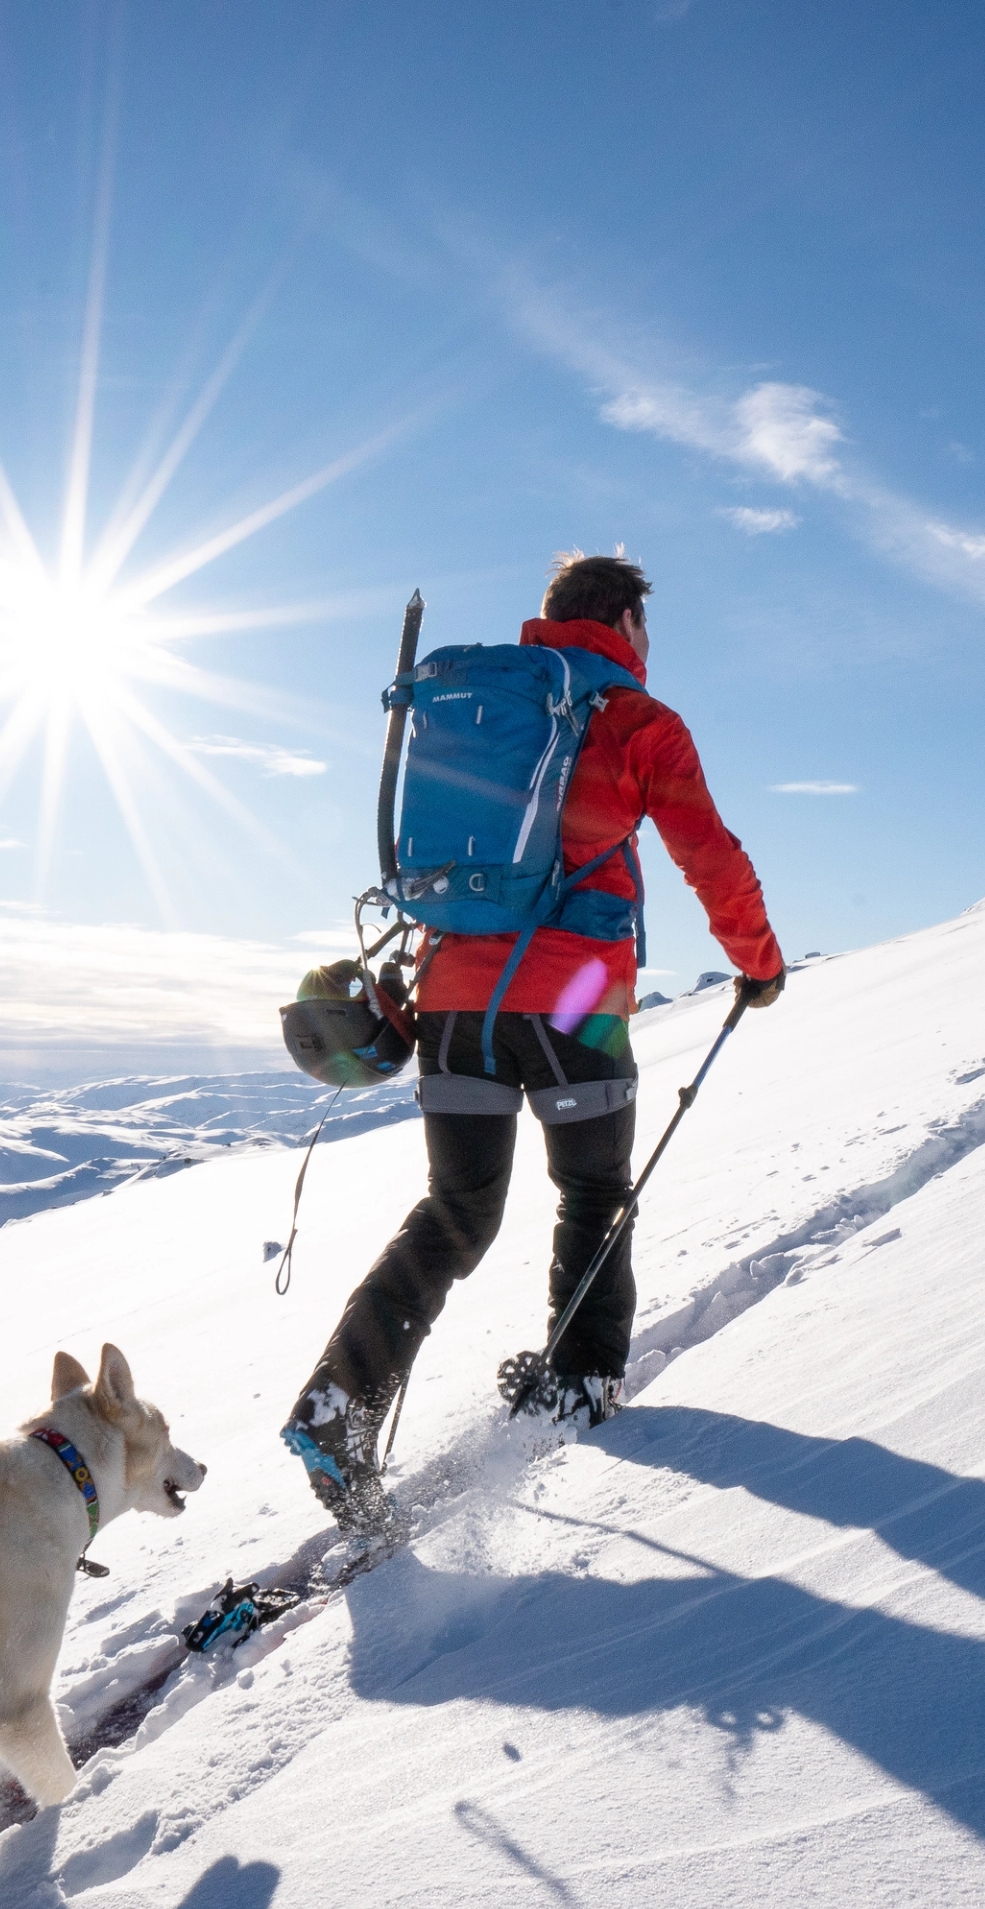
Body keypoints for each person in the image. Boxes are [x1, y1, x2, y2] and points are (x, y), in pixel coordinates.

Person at [282, 553, 787, 1534]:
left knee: (455, 1215)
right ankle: (578, 1388)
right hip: (574, 1005)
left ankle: (336, 1410)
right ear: (629, 620)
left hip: (454, 1004)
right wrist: (757, 962)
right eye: (648, 626)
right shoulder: (638, 720)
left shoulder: (476, 704)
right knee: (594, 1193)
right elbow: (708, 855)